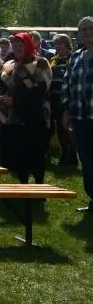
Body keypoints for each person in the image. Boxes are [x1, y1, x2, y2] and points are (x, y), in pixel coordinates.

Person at [0, 32, 52, 186]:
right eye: (14, 46)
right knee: (18, 155)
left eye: (21, 45)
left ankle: (39, 186)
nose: (17, 48)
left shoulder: (40, 63)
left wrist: (15, 100)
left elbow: (39, 89)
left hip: (34, 118)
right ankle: (23, 186)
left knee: (35, 154)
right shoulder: (8, 64)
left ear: (28, 45)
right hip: (12, 119)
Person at [63, 16, 93, 214]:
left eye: (90, 28)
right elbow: (67, 84)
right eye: (83, 30)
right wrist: (66, 111)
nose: (87, 32)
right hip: (81, 117)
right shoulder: (76, 56)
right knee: (87, 160)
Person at [49, 33, 77, 166]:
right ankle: (64, 152)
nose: (57, 46)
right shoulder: (53, 60)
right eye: (56, 44)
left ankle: (73, 153)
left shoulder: (74, 58)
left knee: (68, 127)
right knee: (59, 127)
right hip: (55, 99)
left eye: (60, 43)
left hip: (69, 98)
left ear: (67, 45)